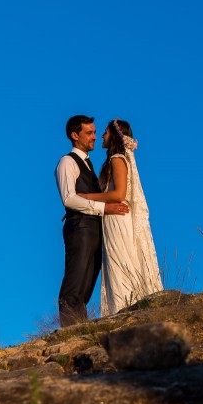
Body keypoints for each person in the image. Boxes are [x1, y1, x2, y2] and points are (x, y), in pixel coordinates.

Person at [56, 115, 131, 327]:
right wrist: (104, 208)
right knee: (75, 284)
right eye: (89, 133)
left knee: (86, 287)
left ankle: (79, 329)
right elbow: (69, 199)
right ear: (74, 135)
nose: (95, 137)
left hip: (95, 229)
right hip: (79, 227)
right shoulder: (67, 162)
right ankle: (69, 333)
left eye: (95, 132)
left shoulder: (89, 165)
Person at [96, 118, 163, 315]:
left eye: (106, 132)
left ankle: (121, 310)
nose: (102, 135)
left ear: (115, 135)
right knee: (121, 262)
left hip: (117, 219)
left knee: (119, 263)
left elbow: (119, 194)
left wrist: (86, 197)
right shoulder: (119, 158)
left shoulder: (117, 158)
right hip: (114, 218)